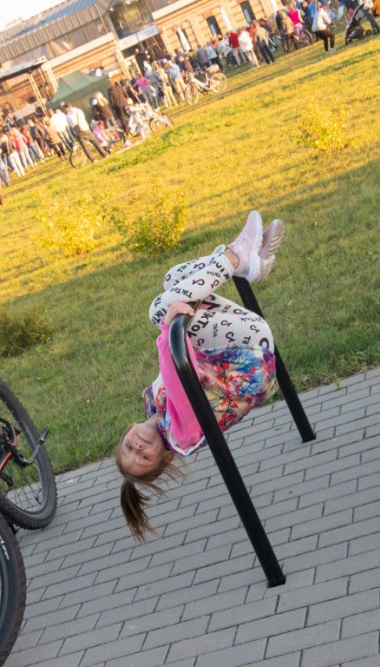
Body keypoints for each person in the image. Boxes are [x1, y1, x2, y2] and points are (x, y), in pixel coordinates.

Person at [116, 211, 286, 542]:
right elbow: (182, 376)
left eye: (128, 448)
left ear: (127, 432)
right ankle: (237, 257)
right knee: (159, 309)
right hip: (249, 354)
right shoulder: (181, 434)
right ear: (165, 457)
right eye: (144, 457)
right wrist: (166, 328)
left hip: (229, 351)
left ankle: (247, 262)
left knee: (173, 279)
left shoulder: (156, 409)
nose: (138, 447)